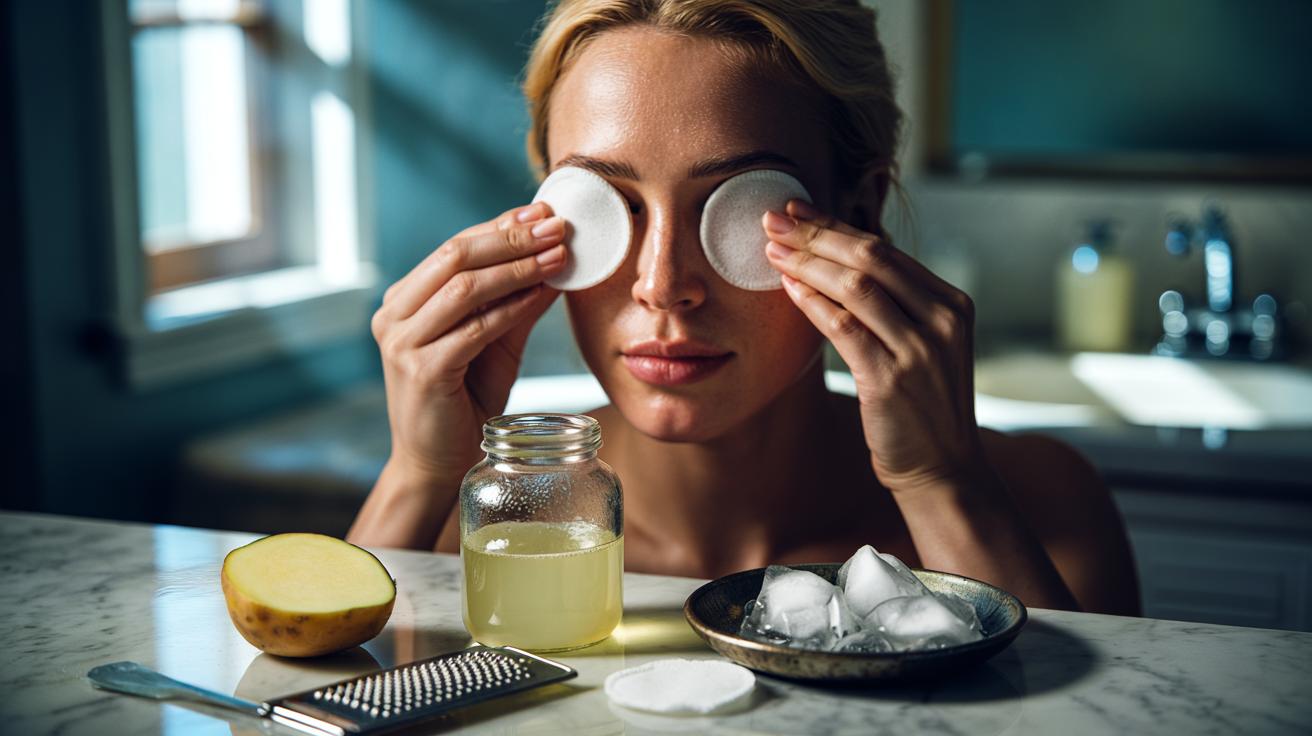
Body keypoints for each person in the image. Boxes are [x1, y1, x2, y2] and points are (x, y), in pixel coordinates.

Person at [348, 0, 1140, 615]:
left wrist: (942, 484)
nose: (663, 284)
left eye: (733, 210)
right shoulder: (478, 531)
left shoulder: (1039, 508)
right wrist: (418, 477)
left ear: (857, 215)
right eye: (605, 207)